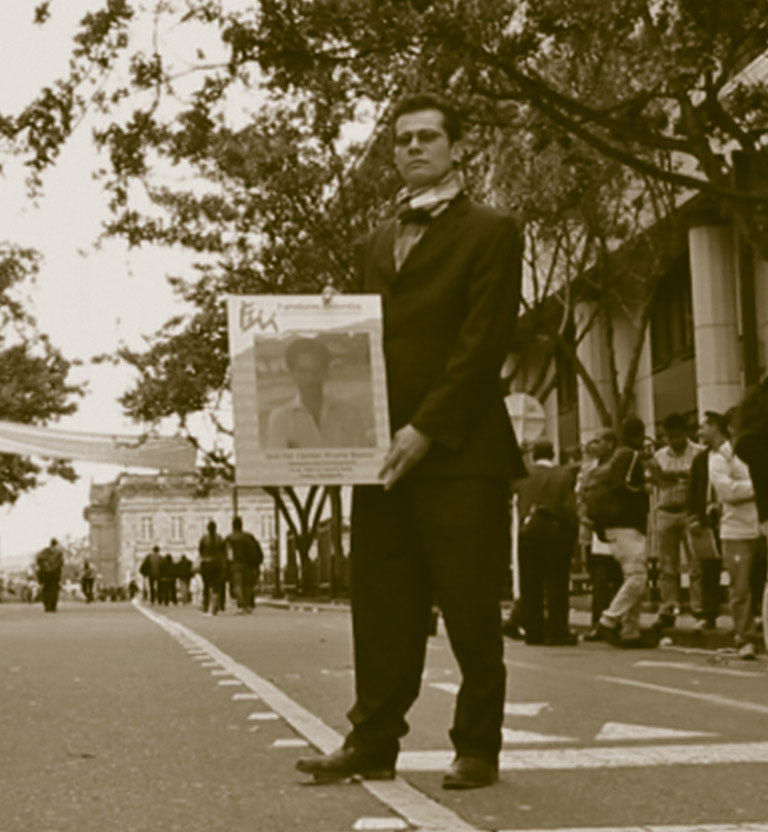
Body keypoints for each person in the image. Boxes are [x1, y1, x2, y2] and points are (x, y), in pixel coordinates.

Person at [296, 92, 524, 791]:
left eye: (428, 137)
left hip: (460, 450)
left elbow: (482, 342)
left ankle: (477, 746)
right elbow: (366, 346)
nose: (414, 148)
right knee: (382, 606)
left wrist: (426, 427)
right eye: (402, 140)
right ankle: (372, 739)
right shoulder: (373, 242)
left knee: (468, 605)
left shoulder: (493, 230)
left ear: (457, 147)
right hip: (379, 456)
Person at [699, 410, 761, 659]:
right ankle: (743, 637)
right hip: (736, 530)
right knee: (740, 587)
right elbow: (728, 492)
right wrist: (759, 485)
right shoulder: (718, 458)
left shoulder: (756, 451)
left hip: (762, 523)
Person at [593, 417, 657, 648]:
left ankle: (632, 630)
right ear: (639, 434)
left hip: (614, 526)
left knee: (632, 576)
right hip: (627, 523)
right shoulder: (629, 456)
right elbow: (623, 486)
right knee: (638, 578)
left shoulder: (615, 457)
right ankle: (609, 619)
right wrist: (643, 489)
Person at [515, 439, 578, 645]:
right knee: (557, 582)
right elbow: (569, 507)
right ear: (553, 455)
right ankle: (557, 630)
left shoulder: (524, 474)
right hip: (556, 532)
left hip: (528, 531)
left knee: (530, 582)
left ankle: (533, 630)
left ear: (534, 456)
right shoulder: (564, 475)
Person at [645, 413, 703, 630]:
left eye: (677, 436)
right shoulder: (659, 456)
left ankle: (699, 608)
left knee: (696, 563)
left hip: (689, 511)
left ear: (685, 434)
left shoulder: (698, 453)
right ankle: (668, 607)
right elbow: (652, 483)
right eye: (670, 437)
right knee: (667, 566)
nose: (674, 441)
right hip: (665, 511)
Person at [265, 337, 370, 449]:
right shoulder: (280, 419)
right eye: (303, 371)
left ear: (326, 373)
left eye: (316, 370)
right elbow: (278, 465)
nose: (311, 378)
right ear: (293, 375)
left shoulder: (349, 414)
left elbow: (362, 462)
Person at [576, 430, 624, 641]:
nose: (592, 446)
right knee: (599, 577)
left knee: (616, 576)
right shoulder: (587, 469)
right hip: (594, 529)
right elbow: (581, 496)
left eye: (598, 441)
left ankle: (617, 620)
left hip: (614, 526)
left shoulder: (613, 467)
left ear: (610, 444)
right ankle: (599, 622)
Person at [686, 442, 723, 630]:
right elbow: (693, 489)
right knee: (708, 566)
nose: (701, 430)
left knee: (742, 565)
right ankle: (709, 614)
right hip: (706, 516)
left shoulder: (733, 454)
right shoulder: (701, 459)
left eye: (706, 425)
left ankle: (753, 613)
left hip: (730, 514)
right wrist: (693, 515)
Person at [225, 516, 264, 614]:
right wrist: (256, 564)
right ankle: (248, 605)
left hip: (235, 564)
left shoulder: (229, 538)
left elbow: (227, 554)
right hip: (248, 564)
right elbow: (257, 551)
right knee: (247, 585)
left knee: (238, 585)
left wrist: (228, 565)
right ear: (241, 525)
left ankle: (241, 605)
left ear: (233, 526)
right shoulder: (248, 537)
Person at [199, 521, 227, 615]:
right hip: (217, 563)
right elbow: (224, 552)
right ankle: (217, 605)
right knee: (217, 585)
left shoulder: (204, 539)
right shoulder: (220, 538)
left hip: (207, 563)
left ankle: (206, 605)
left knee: (206, 586)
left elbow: (201, 551)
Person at [35, 538, 64, 613]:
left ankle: (46, 605)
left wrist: (44, 566)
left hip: (45, 573)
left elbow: (38, 558)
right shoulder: (59, 552)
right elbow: (61, 563)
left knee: (46, 589)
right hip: (54, 574)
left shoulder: (45, 550)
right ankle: (52, 606)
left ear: (50, 543)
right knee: (54, 590)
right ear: (56, 543)